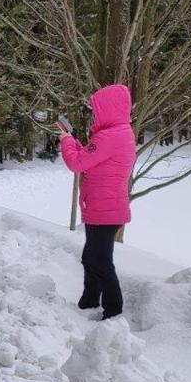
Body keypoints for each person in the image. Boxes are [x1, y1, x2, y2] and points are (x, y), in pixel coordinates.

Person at [59, 84, 137, 320]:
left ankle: (113, 311)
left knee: (100, 261)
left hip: (104, 210)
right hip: (104, 208)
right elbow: (91, 159)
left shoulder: (110, 136)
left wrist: (66, 140)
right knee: (91, 258)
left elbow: (76, 163)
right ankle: (90, 301)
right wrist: (75, 141)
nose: (94, 114)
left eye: (97, 109)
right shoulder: (119, 133)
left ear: (109, 109)